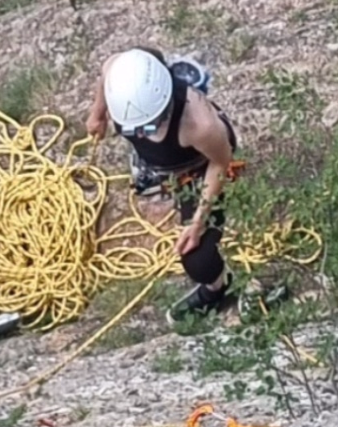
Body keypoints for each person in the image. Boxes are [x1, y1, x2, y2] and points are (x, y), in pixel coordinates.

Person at [86, 48, 239, 316]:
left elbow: (220, 163)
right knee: (150, 145)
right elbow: (106, 73)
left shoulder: (200, 126)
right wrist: (98, 113)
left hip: (198, 166)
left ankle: (218, 286)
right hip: (165, 158)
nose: (143, 133)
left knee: (198, 262)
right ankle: (153, 162)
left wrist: (197, 222)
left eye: (150, 125)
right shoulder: (119, 75)